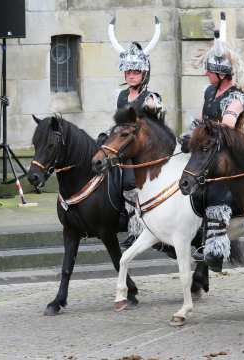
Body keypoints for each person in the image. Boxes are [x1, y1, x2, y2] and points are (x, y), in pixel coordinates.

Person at [185, 12, 244, 272]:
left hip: (230, 152)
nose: (205, 74)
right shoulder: (209, 91)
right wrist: (191, 134)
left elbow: (225, 129)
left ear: (222, 73)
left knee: (217, 187)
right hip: (209, 149)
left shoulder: (237, 97)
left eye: (209, 70)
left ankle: (215, 249)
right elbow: (203, 121)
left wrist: (203, 133)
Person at [104, 16, 164, 248]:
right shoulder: (120, 96)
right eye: (128, 71)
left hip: (145, 153)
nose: (131, 75)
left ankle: (137, 228)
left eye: (136, 71)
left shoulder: (151, 98)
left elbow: (156, 131)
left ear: (144, 74)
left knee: (130, 180)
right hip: (124, 149)